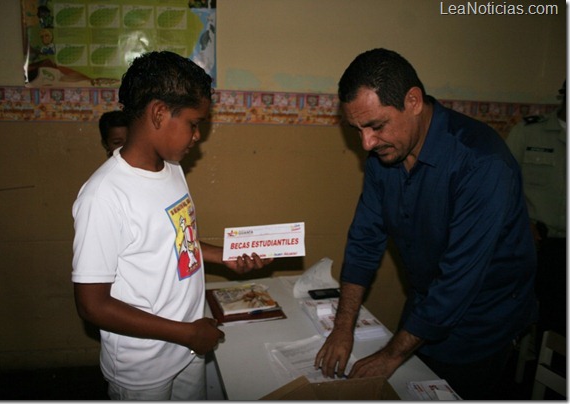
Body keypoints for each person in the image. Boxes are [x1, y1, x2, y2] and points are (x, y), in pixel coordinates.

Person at [314, 48, 537, 400]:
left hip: (483, 325)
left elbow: (458, 281)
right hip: (425, 307)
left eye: (376, 126)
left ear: (413, 101)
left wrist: (391, 355)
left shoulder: (482, 162)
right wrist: (343, 329)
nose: (366, 143)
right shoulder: (386, 153)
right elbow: (364, 242)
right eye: (356, 129)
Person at [71, 51, 272, 400]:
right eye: (194, 124)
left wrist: (223, 256)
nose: (197, 136)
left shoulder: (171, 168)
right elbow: (92, 305)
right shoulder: (103, 196)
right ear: (159, 113)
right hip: (143, 366)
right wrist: (186, 333)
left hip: (186, 345)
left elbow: (176, 243)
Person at [506, 82, 566, 342]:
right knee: (535, 314)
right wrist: (523, 224)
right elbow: (502, 186)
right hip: (538, 242)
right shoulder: (530, 132)